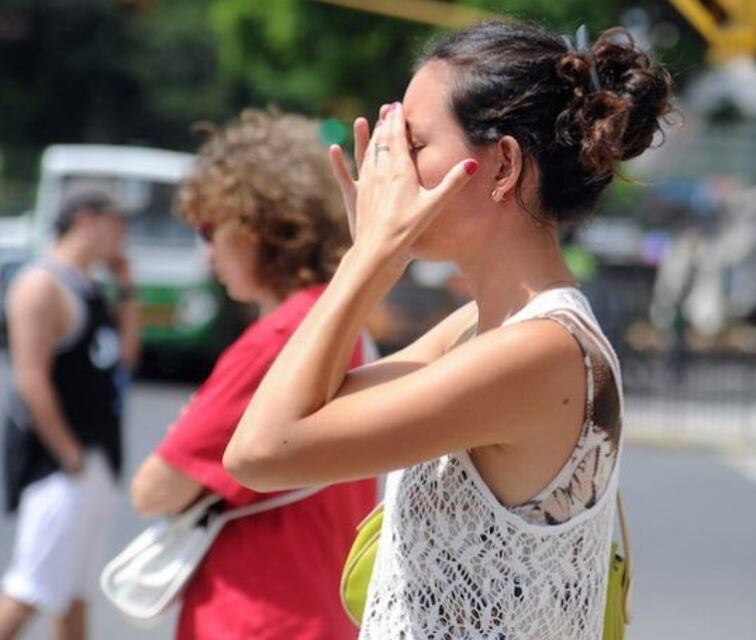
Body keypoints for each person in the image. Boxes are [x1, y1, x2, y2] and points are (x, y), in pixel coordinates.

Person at [223, 23, 672, 639]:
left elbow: (260, 452)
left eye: (413, 144)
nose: (389, 170)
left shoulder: (540, 352)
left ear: (503, 165)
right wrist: (377, 259)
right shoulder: (478, 329)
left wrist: (370, 257)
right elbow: (307, 411)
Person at [128, 109, 377, 640]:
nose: (207, 249)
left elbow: (154, 490)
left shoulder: (280, 340)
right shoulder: (339, 320)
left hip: (255, 613)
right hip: (320, 605)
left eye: (209, 227)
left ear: (257, 225)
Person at [0, 190, 139, 640]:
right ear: (87, 220)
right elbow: (30, 378)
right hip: (58, 463)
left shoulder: (89, 285)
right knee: (30, 586)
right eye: (117, 224)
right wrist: (69, 453)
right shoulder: (40, 285)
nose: (123, 236)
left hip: (95, 454)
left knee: (73, 592)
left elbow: (125, 358)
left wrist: (128, 289)